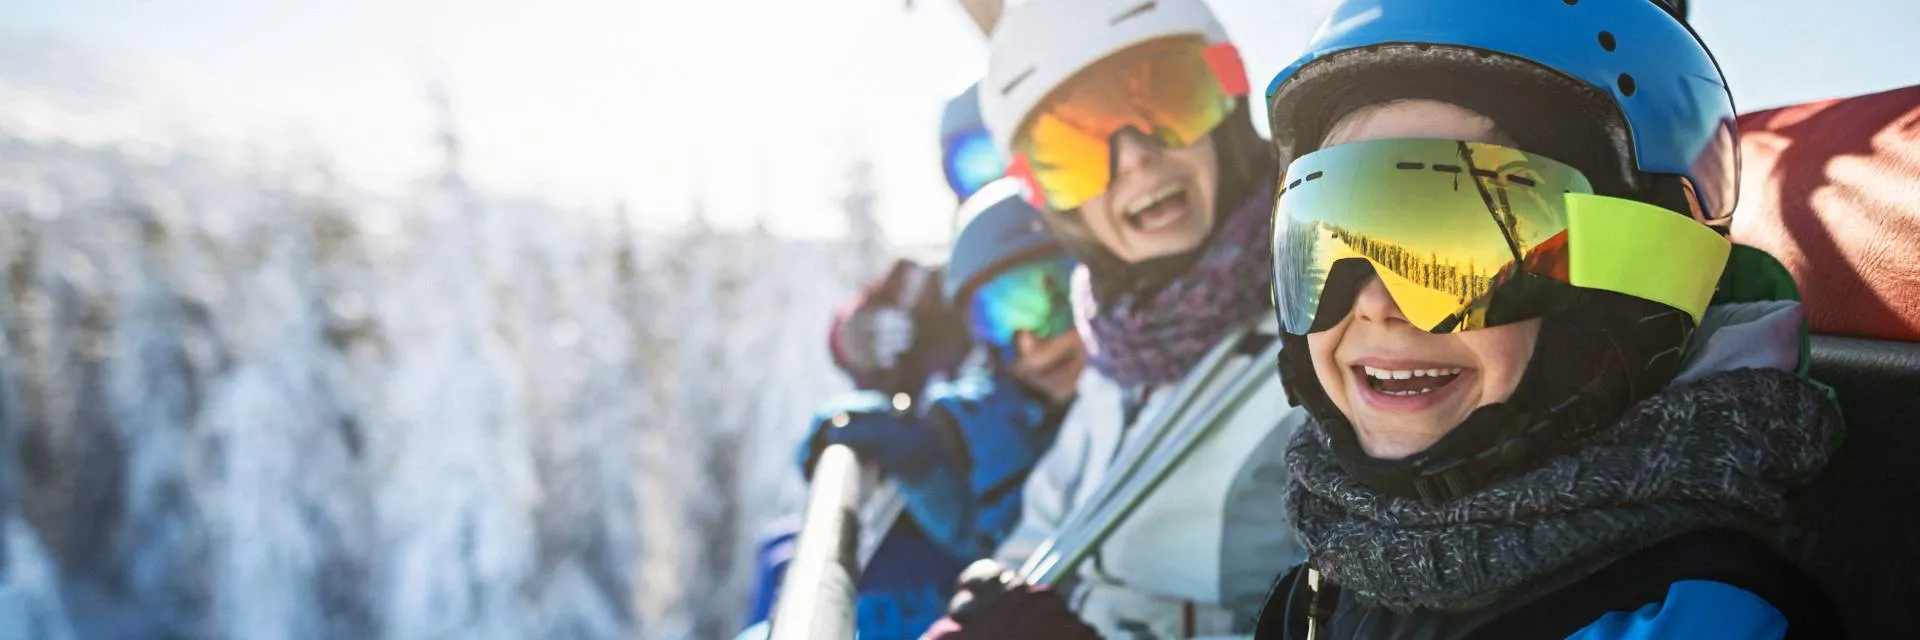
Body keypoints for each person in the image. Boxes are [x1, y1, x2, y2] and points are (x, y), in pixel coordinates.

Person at [1248, 0, 1843, 636]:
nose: (1373, 303)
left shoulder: (1687, 616)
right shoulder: (1330, 574)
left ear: (1632, 281)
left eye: (1453, 249)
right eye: (1325, 241)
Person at [924, 0, 1308, 636]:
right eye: (1072, 148)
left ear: (1226, 105)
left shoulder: (1327, 329)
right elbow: (1042, 532)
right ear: (1046, 197)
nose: (1133, 158)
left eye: (1168, 98)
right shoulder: (1117, 349)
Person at [771, 183, 1089, 640]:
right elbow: (984, 529)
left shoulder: (1131, 401)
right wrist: (918, 462)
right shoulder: (993, 410)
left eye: (1052, 303)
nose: (1029, 340)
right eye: (998, 319)